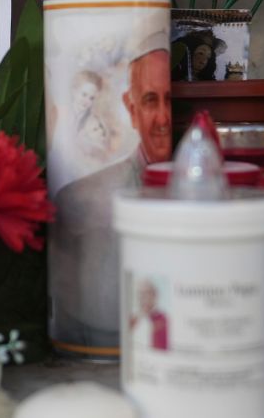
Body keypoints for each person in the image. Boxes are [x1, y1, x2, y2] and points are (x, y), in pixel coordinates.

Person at [50, 33, 172, 353]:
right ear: (131, 109)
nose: (163, 118)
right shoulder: (80, 200)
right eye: (150, 101)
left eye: (170, 100)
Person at [129, 279, 169, 351]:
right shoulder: (133, 319)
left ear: (154, 295)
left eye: (146, 293)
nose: (142, 298)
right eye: (139, 294)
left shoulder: (164, 320)